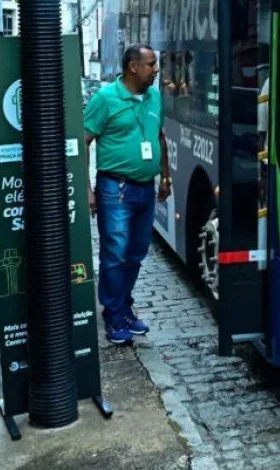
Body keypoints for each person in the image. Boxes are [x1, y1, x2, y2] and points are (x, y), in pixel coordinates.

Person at [84, 45, 170, 345]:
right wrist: (88, 190)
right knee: (115, 254)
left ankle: (125, 307)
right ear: (133, 67)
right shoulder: (105, 99)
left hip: (145, 188)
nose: (156, 69)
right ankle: (113, 315)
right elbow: (83, 141)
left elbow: (160, 137)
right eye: (151, 64)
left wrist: (165, 177)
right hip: (114, 189)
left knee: (135, 253)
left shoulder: (154, 97)